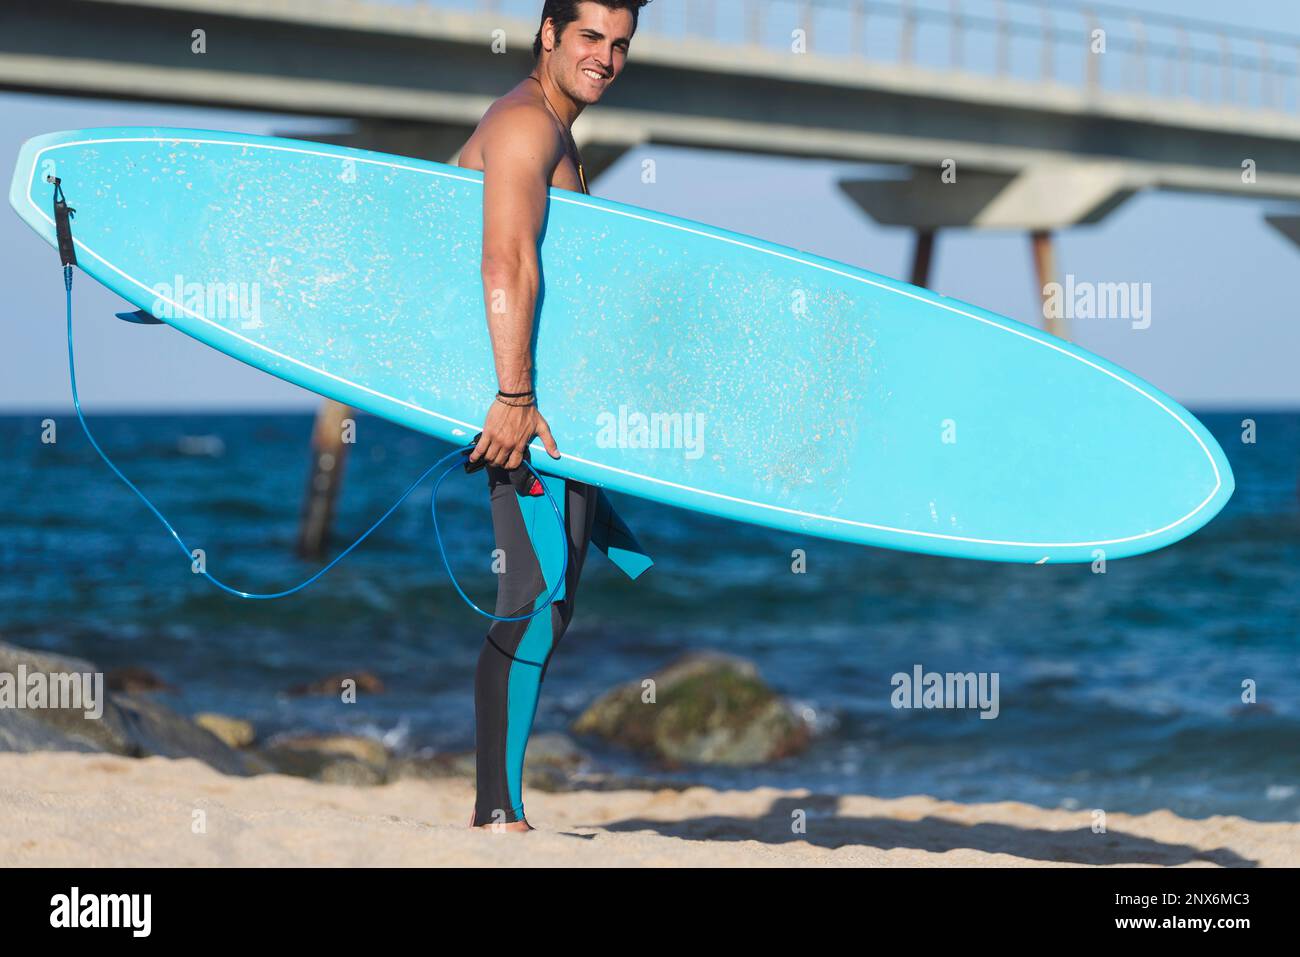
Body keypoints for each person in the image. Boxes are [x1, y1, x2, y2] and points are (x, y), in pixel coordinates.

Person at [455, 0, 653, 831]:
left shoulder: (557, 131)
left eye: (618, 44)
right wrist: (512, 397)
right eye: (588, 38)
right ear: (547, 33)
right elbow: (505, 258)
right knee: (534, 595)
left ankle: (499, 805)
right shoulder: (525, 128)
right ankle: (496, 814)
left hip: (541, 405)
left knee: (553, 594)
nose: (605, 57)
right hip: (515, 405)